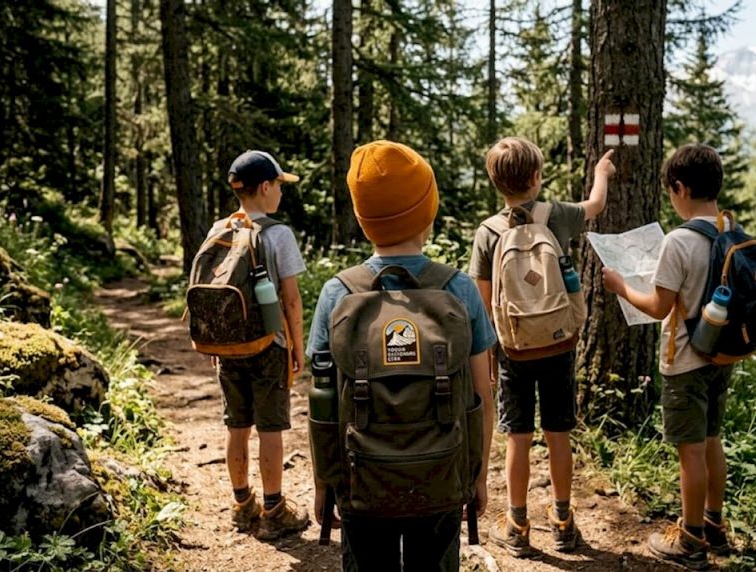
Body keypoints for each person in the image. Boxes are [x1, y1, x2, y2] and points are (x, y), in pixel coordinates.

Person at [307, 140, 495, 571]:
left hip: (361, 481)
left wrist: (325, 483)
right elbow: (481, 394)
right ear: (428, 210)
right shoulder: (458, 290)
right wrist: (477, 475)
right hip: (443, 474)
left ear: (362, 218)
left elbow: (321, 403)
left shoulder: (338, 293)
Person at [470, 136, 613, 556]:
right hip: (559, 344)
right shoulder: (558, 216)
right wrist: (601, 173)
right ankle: (563, 521)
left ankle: (516, 524)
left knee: (517, 437)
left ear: (496, 182)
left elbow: (482, 302)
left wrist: (491, 355)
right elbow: (596, 206)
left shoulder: (488, 232)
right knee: (558, 434)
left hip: (513, 350)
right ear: (537, 177)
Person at [601, 144, 734, 569]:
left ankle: (691, 538)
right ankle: (714, 522)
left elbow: (658, 307)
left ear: (678, 188)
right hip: (720, 355)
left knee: (689, 451)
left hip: (685, 360)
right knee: (712, 439)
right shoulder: (728, 226)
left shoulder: (678, 240)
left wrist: (621, 287)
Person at [211, 150, 309, 539]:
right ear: (265, 187)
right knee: (270, 428)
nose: (281, 194)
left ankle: (241, 505)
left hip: (228, 346)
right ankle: (274, 511)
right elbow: (291, 299)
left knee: (236, 425)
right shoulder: (278, 234)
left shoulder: (220, 228)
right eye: (280, 187)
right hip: (269, 346)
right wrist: (297, 346)